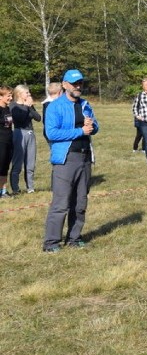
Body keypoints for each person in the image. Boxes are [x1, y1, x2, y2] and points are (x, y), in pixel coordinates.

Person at [42, 70, 99, 252]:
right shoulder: (55, 107)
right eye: (74, 83)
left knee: (80, 202)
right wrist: (80, 131)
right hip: (66, 159)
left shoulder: (85, 105)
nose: (78, 86)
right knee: (61, 203)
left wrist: (92, 126)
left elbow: (95, 127)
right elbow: (51, 133)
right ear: (65, 85)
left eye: (80, 83)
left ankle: (74, 238)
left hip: (85, 157)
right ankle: (51, 243)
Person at [10, 85, 42, 194]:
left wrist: (31, 106)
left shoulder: (29, 105)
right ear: (19, 94)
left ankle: (30, 188)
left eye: (29, 93)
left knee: (30, 162)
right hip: (20, 133)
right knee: (18, 163)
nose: (29, 95)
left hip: (30, 133)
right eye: (27, 93)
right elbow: (20, 119)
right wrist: (27, 107)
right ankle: (15, 188)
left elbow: (38, 118)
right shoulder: (14, 105)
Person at [0, 86, 13, 199]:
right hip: (1, 141)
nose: (10, 97)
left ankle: (3, 191)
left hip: (9, 141)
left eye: (11, 95)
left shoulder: (7, 109)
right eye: (8, 95)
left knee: (5, 167)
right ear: (1, 96)